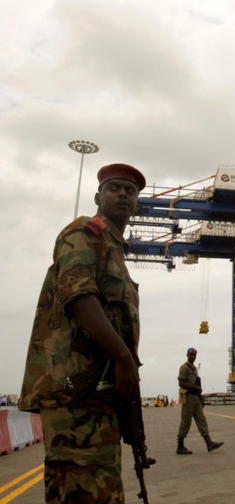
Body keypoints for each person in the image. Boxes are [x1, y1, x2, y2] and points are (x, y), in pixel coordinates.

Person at [18, 163, 146, 503]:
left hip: (97, 391)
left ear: (137, 204)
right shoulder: (84, 232)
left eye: (130, 191)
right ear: (97, 196)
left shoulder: (115, 249)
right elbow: (78, 294)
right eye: (114, 188)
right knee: (81, 487)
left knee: (100, 485)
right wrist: (122, 357)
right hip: (74, 389)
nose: (122, 194)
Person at [176, 348, 223, 454]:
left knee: (201, 420)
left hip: (196, 398)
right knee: (186, 421)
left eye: (194, 355)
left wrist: (201, 398)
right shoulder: (184, 368)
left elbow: (197, 384)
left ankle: (209, 443)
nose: (193, 357)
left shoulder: (194, 369)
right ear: (187, 355)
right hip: (188, 398)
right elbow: (181, 383)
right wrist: (195, 388)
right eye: (191, 355)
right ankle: (180, 446)